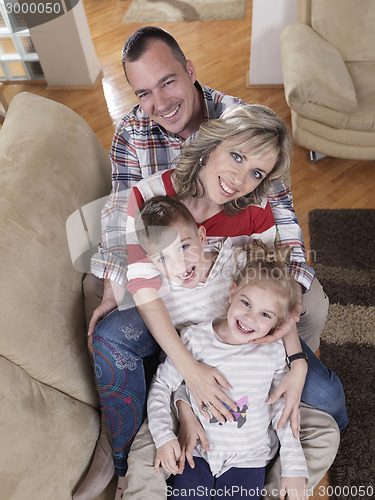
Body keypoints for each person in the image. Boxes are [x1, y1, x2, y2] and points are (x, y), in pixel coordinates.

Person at [75, 26, 339, 500]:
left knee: (329, 400)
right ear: (210, 145)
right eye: (144, 92)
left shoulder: (249, 160)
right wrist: (184, 382)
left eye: (253, 171)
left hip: (241, 318)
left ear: (190, 72)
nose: (239, 178)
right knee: (112, 328)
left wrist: (293, 359)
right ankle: (119, 452)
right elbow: (126, 223)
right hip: (181, 313)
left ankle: (275, 473)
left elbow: (280, 250)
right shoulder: (146, 177)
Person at [147, 240, 309, 500]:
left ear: (280, 324)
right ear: (232, 293)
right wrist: (164, 437)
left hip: (248, 460)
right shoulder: (194, 339)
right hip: (197, 452)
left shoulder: (273, 352)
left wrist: (294, 466)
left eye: (265, 315)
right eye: (246, 303)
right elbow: (162, 385)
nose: (250, 318)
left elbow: (283, 408)